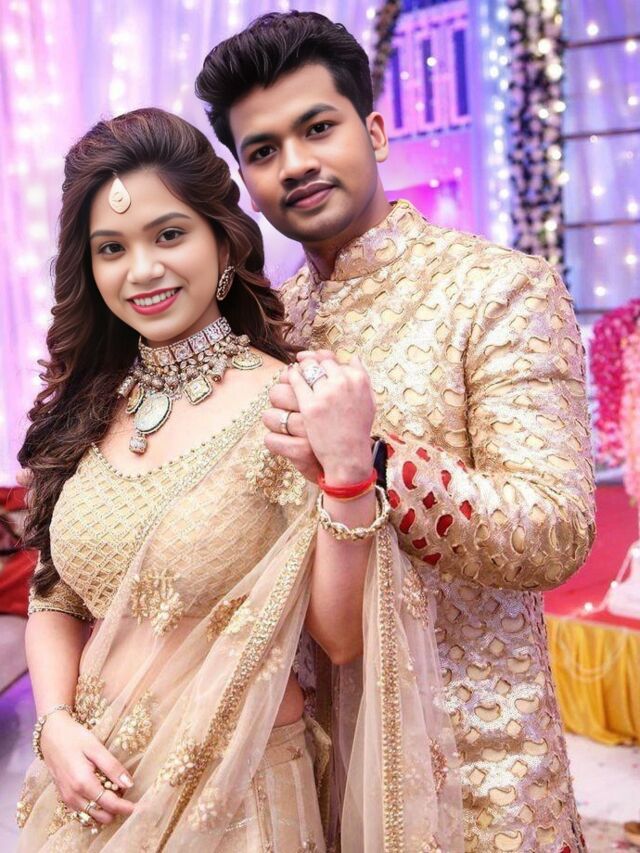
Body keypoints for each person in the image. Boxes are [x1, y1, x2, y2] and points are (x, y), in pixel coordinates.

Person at [196, 11, 596, 852]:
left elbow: (556, 529)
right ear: (247, 181)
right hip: (315, 773)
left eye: (318, 128)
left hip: (477, 770)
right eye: (263, 150)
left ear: (374, 131)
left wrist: (371, 461)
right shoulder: (267, 332)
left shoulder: (497, 290)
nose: (295, 163)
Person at [16, 107, 462, 851]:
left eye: (169, 235)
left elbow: (340, 639)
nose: (142, 269)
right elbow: (54, 595)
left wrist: (349, 474)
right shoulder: (87, 409)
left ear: (222, 242)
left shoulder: (288, 404)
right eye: (112, 248)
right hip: (89, 796)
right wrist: (53, 724)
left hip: (238, 799)